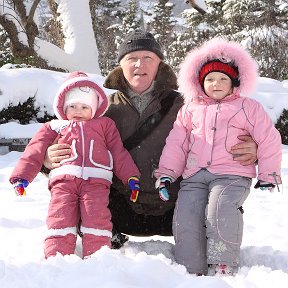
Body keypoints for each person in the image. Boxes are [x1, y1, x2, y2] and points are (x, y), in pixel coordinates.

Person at [43, 30, 258, 245]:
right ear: (121, 65)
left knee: (220, 194)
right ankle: (102, 239)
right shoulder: (98, 108)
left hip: (178, 208)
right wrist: (47, 159)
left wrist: (253, 148)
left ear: (159, 64)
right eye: (132, 58)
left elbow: (226, 128)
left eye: (148, 58)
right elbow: (65, 143)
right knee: (77, 190)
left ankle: (214, 245)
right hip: (119, 211)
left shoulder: (188, 105)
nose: (140, 65)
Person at [153, 38, 282, 276]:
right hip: (194, 176)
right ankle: (189, 267)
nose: (216, 83)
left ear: (235, 83)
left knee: (219, 208)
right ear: (199, 83)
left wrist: (268, 174)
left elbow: (268, 138)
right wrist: (166, 174)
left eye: (223, 78)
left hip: (231, 175)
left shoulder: (248, 107)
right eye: (210, 79)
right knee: (186, 215)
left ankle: (223, 262)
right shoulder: (189, 109)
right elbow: (177, 144)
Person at [9, 71, 140, 259]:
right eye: (72, 106)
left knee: (97, 217)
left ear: (94, 108)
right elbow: (34, 151)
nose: (78, 111)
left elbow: (118, 152)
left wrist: (131, 176)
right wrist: (21, 177)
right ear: (63, 106)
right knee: (60, 215)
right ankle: (57, 257)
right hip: (63, 182)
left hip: (96, 183)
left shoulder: (105, 125)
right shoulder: (54, 126)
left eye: (84, 107)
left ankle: (98, 257)